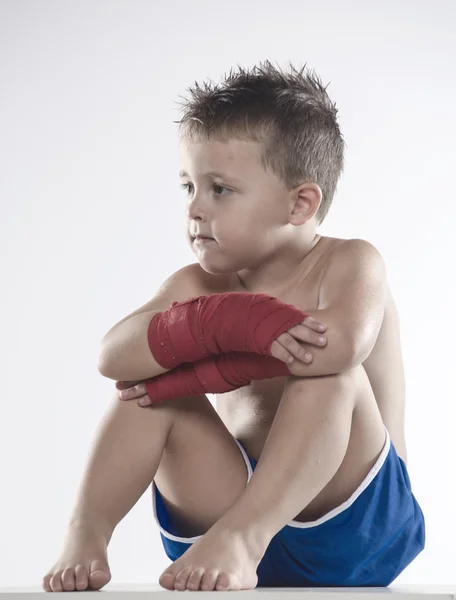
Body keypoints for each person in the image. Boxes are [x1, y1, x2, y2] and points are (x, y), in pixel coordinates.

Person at [42, 60, 425, 593]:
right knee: (143, 391)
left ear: (300, 203)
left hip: (354, 523)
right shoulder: (199, 285)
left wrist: (216, 344)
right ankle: (86, 531)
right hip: (224, 514)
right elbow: (113, 356)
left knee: (332, 372)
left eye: (219, 189)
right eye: (188, 187)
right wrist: (218, 326)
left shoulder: (349, 262)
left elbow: (339, 346)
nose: (195, 209)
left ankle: (247, 536)